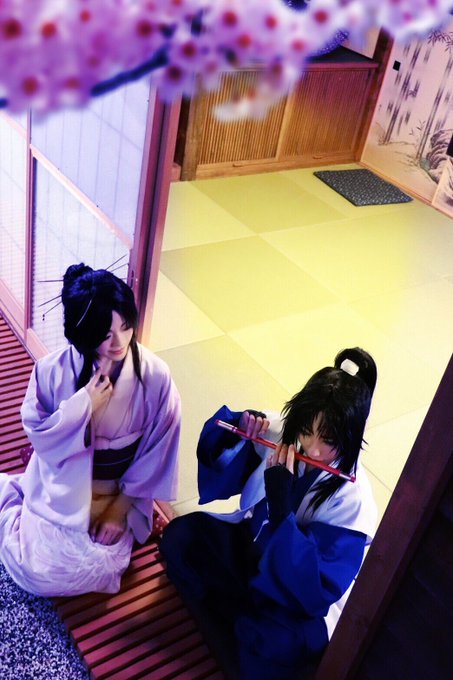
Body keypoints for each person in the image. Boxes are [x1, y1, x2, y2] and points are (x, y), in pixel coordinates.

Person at [160, 348, 377, 680]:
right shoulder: (284, 433)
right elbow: (224, 453)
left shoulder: (352, 500)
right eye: (307, 430)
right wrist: (240, 429)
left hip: (291, 596)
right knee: (180, 538)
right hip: (251, 551)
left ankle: (236, 619)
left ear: (350, 437)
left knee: (275, 644)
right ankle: (240, 621)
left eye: (329, 439)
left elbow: (314, 589)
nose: (312, 447)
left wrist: (281, 507)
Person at [0, 263, 180, 597]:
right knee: (38, 571)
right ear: (83, 333)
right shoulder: (51, 371)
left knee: (100, 566)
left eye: (125, 326)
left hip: (119, 493)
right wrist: (82, 405)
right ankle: (12, 498)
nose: (119, 342)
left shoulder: (155, 377)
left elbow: (159, 448)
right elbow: (39, 433)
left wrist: (117, 511)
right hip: (61, 487)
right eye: (105, 334)